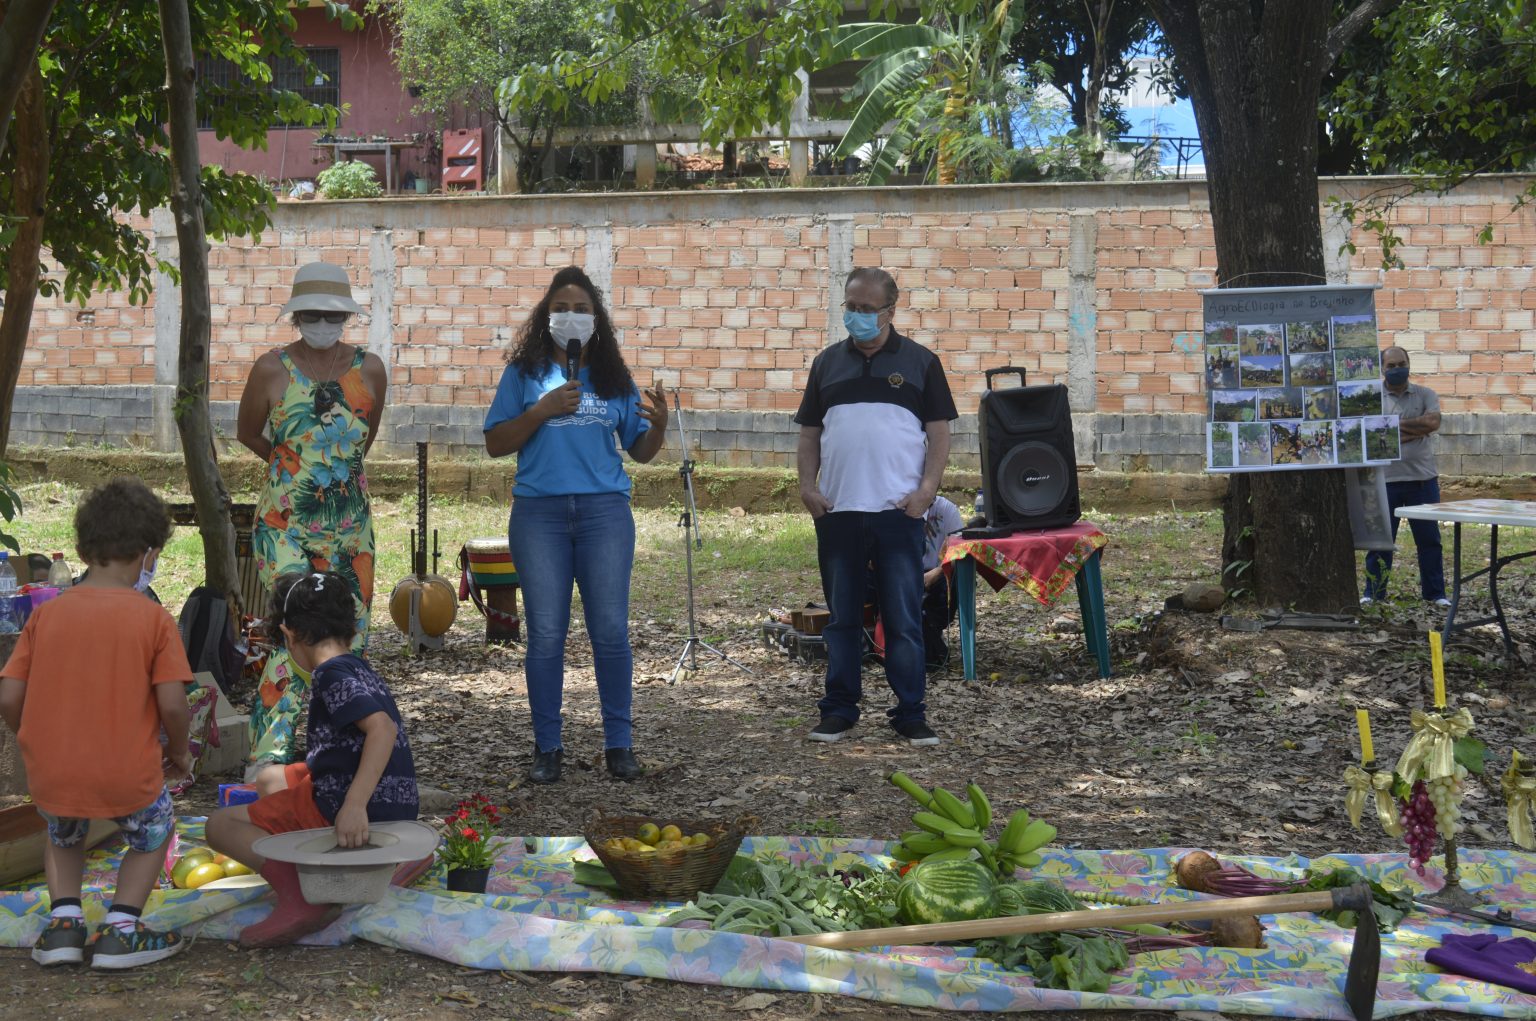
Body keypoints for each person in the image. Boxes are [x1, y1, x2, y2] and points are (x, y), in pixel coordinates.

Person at [483, 266, 668, 784]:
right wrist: (541, 411)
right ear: (545, 316)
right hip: (538, 516)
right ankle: (548, 747)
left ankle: (619, 745)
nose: (572, 316)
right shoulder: (523, 374)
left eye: (582, 309)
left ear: (597, 318)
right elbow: (496, 443)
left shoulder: (613, 378)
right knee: (545, 634)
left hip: (603, 515)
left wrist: (659, 428)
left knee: (609, 630)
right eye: (561, 308)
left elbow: (640, 451)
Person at [0, 478, 192, 969]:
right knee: (155, 830)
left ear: (84, 550)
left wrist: (32, 738)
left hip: (54, 772)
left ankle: (63, 927)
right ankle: (122, 928)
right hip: (127, 771)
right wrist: (180, 750)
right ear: (150, 553)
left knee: (63, 832)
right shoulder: (153, 620)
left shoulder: (45, 616)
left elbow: (9, 695)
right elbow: (173, 704)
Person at [206, 571, 418, 948]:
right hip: (393, 806)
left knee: (220, 825)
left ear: (288, 635)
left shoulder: (330, 674)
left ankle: (303, 897)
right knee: (270, 780)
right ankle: (385, 863)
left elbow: (382, 729)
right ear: (350, 628)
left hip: (351, 807)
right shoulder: (358, 668)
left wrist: (354, 806)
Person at [237, 261, 388, 776]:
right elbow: (248, 432)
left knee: (348, 634)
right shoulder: (271, 369)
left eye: (333, 315)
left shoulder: (370, 370)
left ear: (346, 317)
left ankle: (338, 751)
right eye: (312, 315)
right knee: (295, 627)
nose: (323, 324)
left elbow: (362, 441)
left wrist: (330, 476)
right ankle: (269, 757)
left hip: (350, 529)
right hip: (285, 525)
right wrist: (293, 468)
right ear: (297, 316)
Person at [795, 267, 957, 746]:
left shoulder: (921, 363)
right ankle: (839, 710)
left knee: (903, 619)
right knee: (842, 619)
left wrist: (926, 491)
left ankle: (910, 714)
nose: (857, 316)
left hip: (898, 514)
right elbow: (810, 433)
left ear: (890, 310)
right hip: (838, 512)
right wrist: (807, 488)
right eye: (850, 306)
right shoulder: (826, 364)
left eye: (867, 309)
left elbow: (940, 433)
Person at [1362, 345, 1449, 608]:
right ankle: (1374, 594)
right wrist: (1416, 429)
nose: (1397, 369)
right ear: (1382, 369)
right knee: (1380, 542)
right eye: (1391, 366)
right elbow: (1367, 432)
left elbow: (1433, 423)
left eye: (1402, 364)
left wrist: (1389, 429)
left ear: (1409, 365)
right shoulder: (1370, 397)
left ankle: (1435, 594)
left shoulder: (1425, 394)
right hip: (1384, 481)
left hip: (1422, 481)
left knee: (1429, 540)